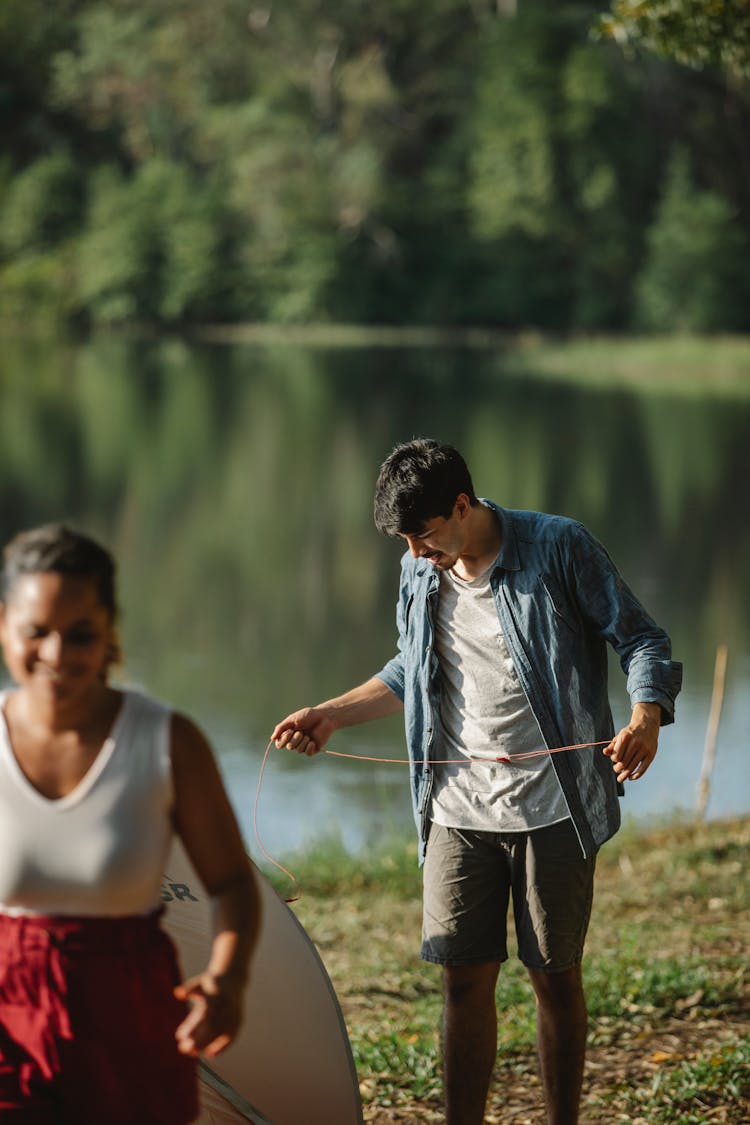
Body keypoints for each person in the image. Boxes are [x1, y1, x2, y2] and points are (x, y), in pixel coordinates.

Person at [273, 438, 682, 1125]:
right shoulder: (420, 572)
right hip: (457, 809)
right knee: (461, 980)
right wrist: (331, 714)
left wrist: (645, 716)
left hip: (553, 809)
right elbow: (413, 666)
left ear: (462, 506)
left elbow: (641, 637)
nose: (413, 554)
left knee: (554, 979)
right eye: (404, 541)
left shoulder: (558, 547)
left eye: (424, 535)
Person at [0, 523, 260, 1124]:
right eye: (36, 632)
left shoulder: (166, 740)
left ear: (110, 629)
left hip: (129, 1009)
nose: (57, 656)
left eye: (81, 634)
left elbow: (231, 884)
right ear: (6, 627)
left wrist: (228, 979)